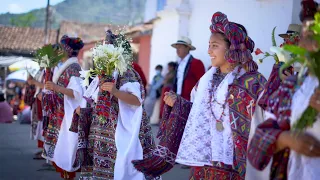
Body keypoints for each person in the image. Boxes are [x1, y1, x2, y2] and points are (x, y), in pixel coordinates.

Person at [132, 12, 267, 179]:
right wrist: (179, 104)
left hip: (234, 166)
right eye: (209, 45)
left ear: (231, 47)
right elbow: (198, 113)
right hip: (203, 164)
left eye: (215, 45)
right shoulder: (205, 82)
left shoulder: (253, 83)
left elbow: (264, 125)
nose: (209, 50)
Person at [248, 1, 320, 179]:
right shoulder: (293, 85)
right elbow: (258, 141)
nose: (303, 44)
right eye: (302, 37)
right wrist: (286, 139)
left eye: (312, 36)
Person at [74, 30, 156, 180]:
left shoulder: (127, 73)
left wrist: (115, 91)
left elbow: (137, 100)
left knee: (120, 168)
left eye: (107, 49)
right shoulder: (104, 74)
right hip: (100, 132)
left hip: (118, 130)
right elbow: (95, 99)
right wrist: (84, 110)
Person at [41, 35, 84, 180]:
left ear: (66, 50)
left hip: (66, 115)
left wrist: (55, 87)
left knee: (66, 151)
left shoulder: (73, 68)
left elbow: (77, 93)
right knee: (61, 151)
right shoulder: (66, 66)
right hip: (60, 113)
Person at [171, 36, 205, 101]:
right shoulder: (178, 64)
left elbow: (202, 84)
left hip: (190, 101)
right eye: (177, 47)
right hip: (178, 100)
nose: (177, 50)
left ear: (187, 48)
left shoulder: (196, 63)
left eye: (180, 47)